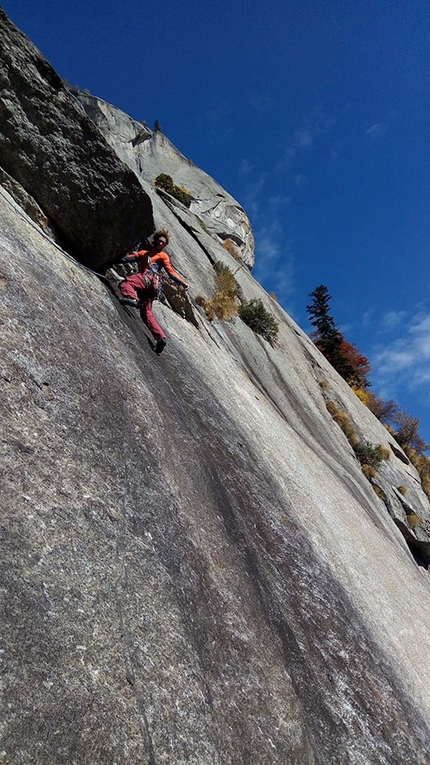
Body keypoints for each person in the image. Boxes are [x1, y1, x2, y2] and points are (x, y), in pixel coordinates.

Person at [119, 229, 189, 354]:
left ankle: (132, 298)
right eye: (160, 241)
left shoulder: (162, 255)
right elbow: (127, 259)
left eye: (164, 243)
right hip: (153, 288)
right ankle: (160, 338)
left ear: (165, 245)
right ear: (155, 240)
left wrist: (181, 281)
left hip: (148, 279)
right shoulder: (143, 254)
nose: (161, 244)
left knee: (126, 283)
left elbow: (170, 271)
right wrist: (115, 257)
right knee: (146, 312)